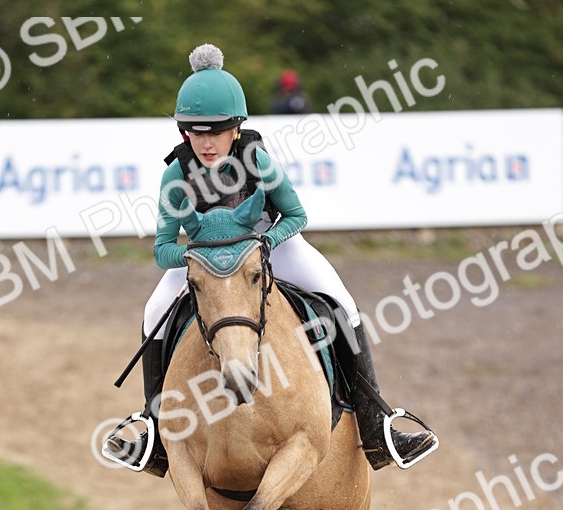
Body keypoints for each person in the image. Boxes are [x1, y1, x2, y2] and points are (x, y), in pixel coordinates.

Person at [112, 43, 437, 477]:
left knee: (343, 303)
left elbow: (297, 215)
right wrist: (197, 256)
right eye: (195, 132)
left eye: (216, 132)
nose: (205, 143)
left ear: (236, 129)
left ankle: (376, 424)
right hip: (204, 261)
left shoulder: (257, 161)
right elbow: (161, 249)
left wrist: (266, 242)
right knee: (154, 311)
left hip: (272, 248)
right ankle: (154, 433)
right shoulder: (176, 173)